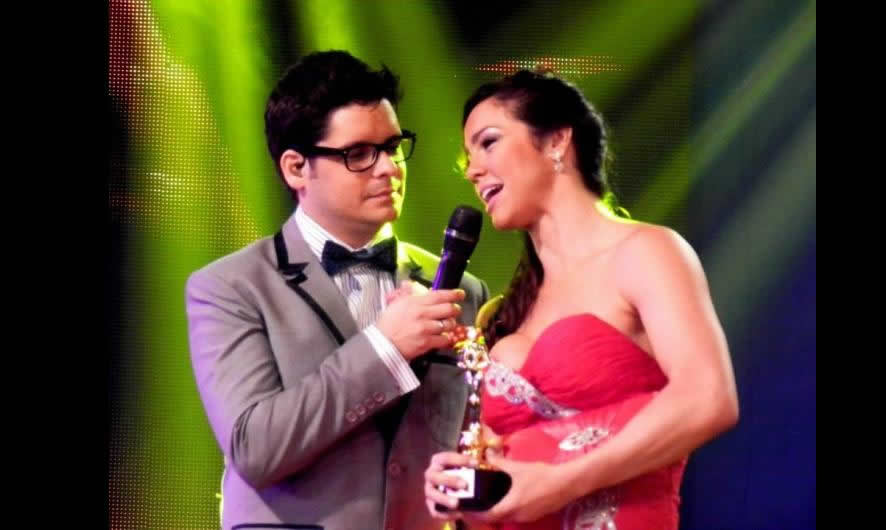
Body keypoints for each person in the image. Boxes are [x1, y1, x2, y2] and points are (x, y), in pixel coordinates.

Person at [185, 50, 490, 530]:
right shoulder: (229, 287)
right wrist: (386, 346)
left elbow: (473, 445)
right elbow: (255, 448)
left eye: (393, 147)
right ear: (296, 168)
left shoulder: (460, 289)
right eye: (359, 154)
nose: (389, 168)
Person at [423, 70, 739, 530]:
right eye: (467, 158)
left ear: (556, 141)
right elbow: (514, 481)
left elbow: (708, 398)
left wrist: (559, 483)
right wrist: (465, 484)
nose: (472, 170)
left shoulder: (645, 252)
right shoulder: (506, 312)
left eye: (488, 143)